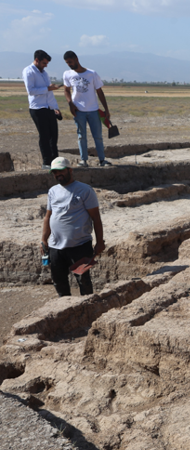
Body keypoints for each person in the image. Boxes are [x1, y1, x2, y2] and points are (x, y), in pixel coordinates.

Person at [41, 157, 105, 297]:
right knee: (59, 281)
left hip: (79, 245)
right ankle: (66, 307)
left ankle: (88, 306)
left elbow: (96, 217)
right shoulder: (52, 191)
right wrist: (44, 239)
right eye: (54, 172)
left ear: (70, 170)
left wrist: (100, 242)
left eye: (61, 171)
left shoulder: (85, 190)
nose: (58, 174)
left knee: (83, 281)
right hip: (56, 246)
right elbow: (48, 217)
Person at [62, 51, 111, 167]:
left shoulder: (92, 74)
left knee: (98, 136)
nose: (69, 64)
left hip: (93, 110)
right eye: (67, 63)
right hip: (78, 111)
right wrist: (70, 104)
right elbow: (66, 90)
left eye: (70, 62)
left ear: (76, 59)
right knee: (81, 136)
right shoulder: (67, 74)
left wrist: (106, 109)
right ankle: (83, 160)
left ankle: (102, 160)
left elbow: (99, 91)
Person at [23, 50, 62, 170]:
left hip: (49, 108)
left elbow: (49, 93)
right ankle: (46, 162)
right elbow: (31, 90)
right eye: (44, 63)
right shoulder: (28, 71)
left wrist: (55, 108)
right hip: (38, 108)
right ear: (37, 60)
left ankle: (56, 161)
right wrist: (48, 88)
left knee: (53, 136)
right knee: (44, 136)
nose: (46, 65)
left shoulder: (44, 73)